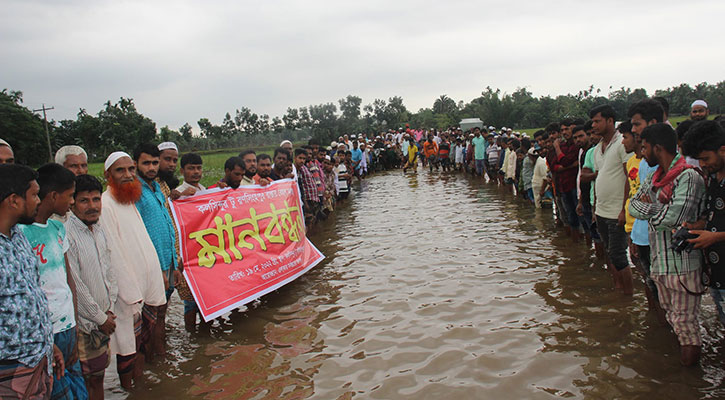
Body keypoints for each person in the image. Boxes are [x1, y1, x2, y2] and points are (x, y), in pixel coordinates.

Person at [629, 123, 706, 366]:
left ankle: (688, 381)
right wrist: (659, 210)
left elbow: (672, 219)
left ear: (658, 148)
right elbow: (632, 206)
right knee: (675, 320)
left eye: (644, 147)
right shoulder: (655, 177)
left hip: (682, 265)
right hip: (660, 263)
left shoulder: (688, 177)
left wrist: (650, 209)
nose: (642, 152)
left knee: (687, 326)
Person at [18, 163, 88, 400]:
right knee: (58, 392)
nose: (72, 202)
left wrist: (76, 322)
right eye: (70, 196)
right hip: (46, 332)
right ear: (53, 196)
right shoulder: (20, 235)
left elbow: (69, 280)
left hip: (67, 326)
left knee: (79, 390)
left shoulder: (58, 229)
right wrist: (46, 336)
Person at [99, 152, 166, 388]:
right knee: (126, 348)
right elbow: (114, 255)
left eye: (130, 169)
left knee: (140, 345)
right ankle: (130, 390)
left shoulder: (129, 199)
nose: (128, 175)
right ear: (108, 175)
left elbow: (143, 244)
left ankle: (141, 386)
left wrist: (154, 283)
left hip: (145, 288)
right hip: (128, 294)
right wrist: (131, 293)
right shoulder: (105, 205)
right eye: (120, 170)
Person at [0, 164, 55, 399]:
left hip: (38, 357)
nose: (38, 202)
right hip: (11, 367)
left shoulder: (19, 236)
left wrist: (49, 346)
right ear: (14, 200)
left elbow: (32, 293)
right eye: (34, 195)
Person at [65, 174, 118, 400]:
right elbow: (75, 284)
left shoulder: (98, 228)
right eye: (84, 201)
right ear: (72, 202)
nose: (92, 206)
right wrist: (100, 317)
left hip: (104, 318)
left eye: (96, 200)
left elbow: (108, 270)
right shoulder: (67, 233)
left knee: (99, 376)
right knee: (88, 379)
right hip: (87, 324)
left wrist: (109, 307)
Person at [132, 143, 178, 359]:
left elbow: (167, 227)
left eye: (154, 163)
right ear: (136, 164)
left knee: (161, 313)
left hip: (168, 262)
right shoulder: (133, 192)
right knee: (149, 317)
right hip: (151, 267)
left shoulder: (158, 189)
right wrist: (157, 268)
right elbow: (138, 235)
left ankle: (160, 359)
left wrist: (174, 263)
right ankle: (152, 361)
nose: (151, 167)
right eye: (146, 163)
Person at [681, 121, 725, 328]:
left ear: (722, 150)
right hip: (718, 271)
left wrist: (715, 237)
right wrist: (694, 226)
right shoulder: (713, 177)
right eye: (700, 160)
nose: (703, 165)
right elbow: (712, 215)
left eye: (706, 159)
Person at [628, 99, 666, 316]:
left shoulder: (667, 160)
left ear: (652, 122)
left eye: (637, 124)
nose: (634, 130)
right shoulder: (645, 161)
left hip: (660, 240)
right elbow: (639, 200)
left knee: (666, 293)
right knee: (653, 287)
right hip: (643, 236)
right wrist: (635, 235)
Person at [590, 104, 634, 295]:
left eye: (597, 121)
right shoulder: (598, 148)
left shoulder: (621, 144)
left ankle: (628, 296)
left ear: (610, 121)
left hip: (617, 211)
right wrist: (594, 207)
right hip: (601, 210)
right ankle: (617, 289)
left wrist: (625, 209)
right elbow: (599, 177)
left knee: (618, 255)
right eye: (592, 121)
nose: (593, 125)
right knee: (610, 253)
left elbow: (629, 177)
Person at [552, 121, 581, 240]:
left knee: (581, 217)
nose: (564, 132)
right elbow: (554, 165)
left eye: (566, 129)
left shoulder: (575, 145)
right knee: (570, 217)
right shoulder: (564, 146)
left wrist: (557, 148)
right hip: (564, 186)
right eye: (562, 130)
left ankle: (583, 246)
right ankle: (574, 248)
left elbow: (564, 161)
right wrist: (570, 165)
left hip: (574, 185)